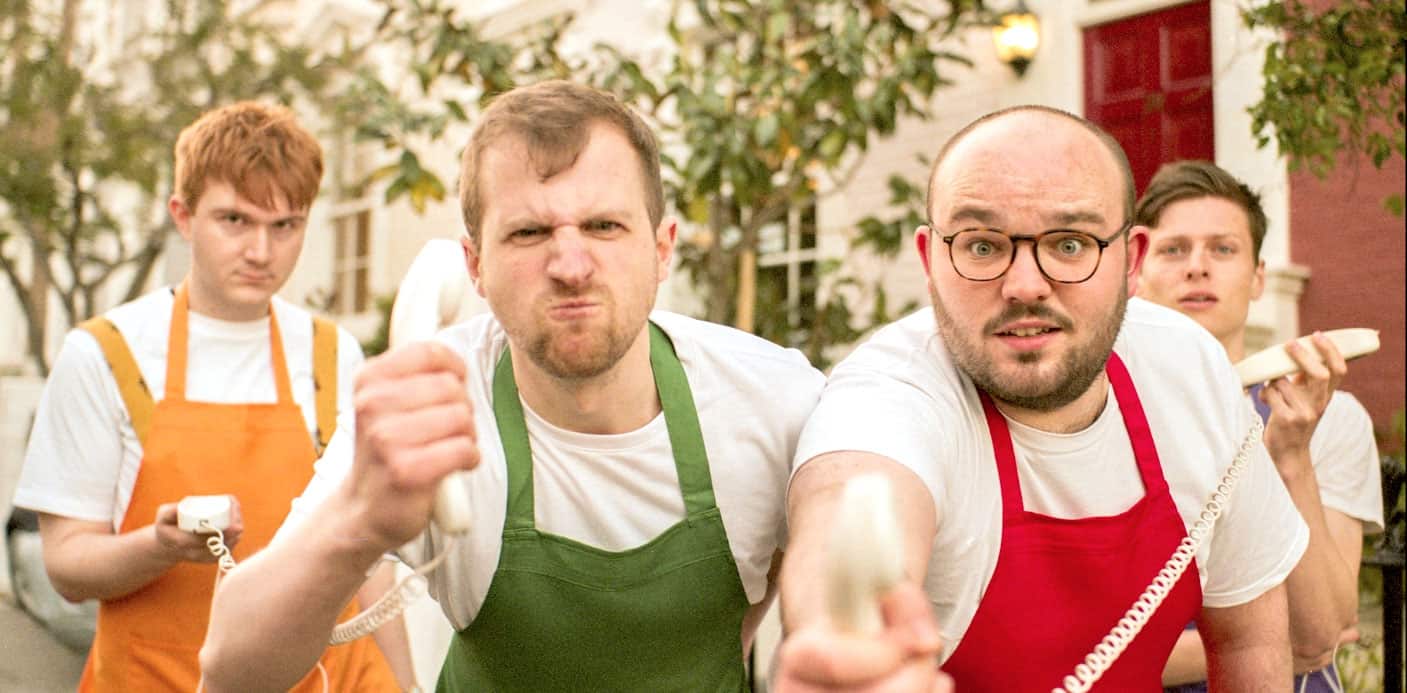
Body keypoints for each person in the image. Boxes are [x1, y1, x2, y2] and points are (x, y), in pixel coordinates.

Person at [198, 80, 825, 691]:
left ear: (663, 250)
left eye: (605, 226)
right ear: (475, 267)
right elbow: (230, 672)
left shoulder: (774, 401)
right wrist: (359, 519)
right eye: (529, 233)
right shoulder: (434, 400)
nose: (571, 267)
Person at [775, 106, 1312, 691]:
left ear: (1131, 262)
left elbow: (1250, 637)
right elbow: (847, 499)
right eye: (981, 247)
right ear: (931, 262)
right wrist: (844, 636)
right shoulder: (894, 392)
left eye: (1071, 244)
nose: (1025, 286)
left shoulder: (1189, 369)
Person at [11, 101, 408, 691]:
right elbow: (67, 565)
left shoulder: (333, 354)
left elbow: (366, 559)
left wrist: (407, 684)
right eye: (235, 221)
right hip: (156, 677)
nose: (261, 252)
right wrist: (160, 546)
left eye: (285, 226)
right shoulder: (106, 354)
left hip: (327, 678)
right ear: (182, 214)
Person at [1134, 160, 1384, 692]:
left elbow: (1323, 633)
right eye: (1174, 249)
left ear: (1258, 279)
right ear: (1135, 271)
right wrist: (1265, 644)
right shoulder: (1097, 415)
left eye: (1223, 249)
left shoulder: (1331, 418)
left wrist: (1291, 457)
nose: (1197, 268)